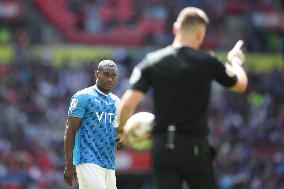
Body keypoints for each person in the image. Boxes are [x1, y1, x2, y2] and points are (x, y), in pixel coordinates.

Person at [117, 7, 248, 189]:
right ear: (200, 35)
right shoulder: (208, 61)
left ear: (175, 29)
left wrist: (120, 134)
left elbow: (127, 103)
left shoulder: (152, 61)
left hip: (163, 146)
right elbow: (240, 84)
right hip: (194, 146)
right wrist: (235, 61)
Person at [64, 60, 120, 189]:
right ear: (97, 74)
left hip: (109, 163)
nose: (110, 79)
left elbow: (115, 133)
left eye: (114, 76)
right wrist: (69, 164)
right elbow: (70, 130)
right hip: (87, 160)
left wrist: (120, 141)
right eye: (106, 75)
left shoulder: (116, 102)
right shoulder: (82, 97)